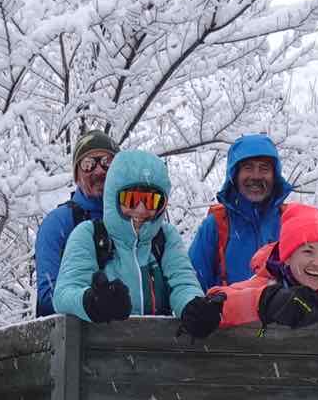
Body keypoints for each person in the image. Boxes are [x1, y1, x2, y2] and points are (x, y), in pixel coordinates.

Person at [178, 204, 318, 344]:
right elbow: (223, 298)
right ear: (287, 255)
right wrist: (264, 302)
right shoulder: (267, 281)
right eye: (307, 251)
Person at [52, 149, 203, 323]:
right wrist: (92, 302)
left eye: (151, 201)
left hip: (159, 346)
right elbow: (64, 294)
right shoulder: (89, 235)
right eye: (130, 199)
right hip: (99, 346)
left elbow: (183, 283)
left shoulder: (165, 237)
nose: (140, 209)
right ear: (113, 196)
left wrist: (192, 308)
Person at [190, 133, 295, 290]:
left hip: (283, 313)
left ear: (275, 175)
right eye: (248, 168)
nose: (256, 176)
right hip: (227, 313)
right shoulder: (216, 225)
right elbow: (193, 284)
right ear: (235, 174)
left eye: (264, 168)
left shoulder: (290, 221)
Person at [35, 131, 118, 315]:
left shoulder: (138, 217)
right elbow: (48, 295)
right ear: (76, 175)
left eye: (107, 162)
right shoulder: (57, 224)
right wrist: (92, 301)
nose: (99, 171)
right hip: (75, 338)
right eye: (88, 164)